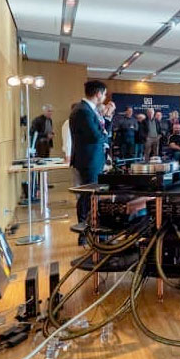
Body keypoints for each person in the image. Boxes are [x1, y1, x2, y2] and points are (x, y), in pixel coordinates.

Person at [70, 80, 108, 244]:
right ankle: (86, 234)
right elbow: (96, 136)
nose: (104, 97)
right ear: (98, 94)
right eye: (104, 94)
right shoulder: (83, 111)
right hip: (88, 160)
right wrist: (105, 134)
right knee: (88, 197)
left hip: (92, 159)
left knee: (90, 196)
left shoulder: (87, 110)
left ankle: (90, 233)